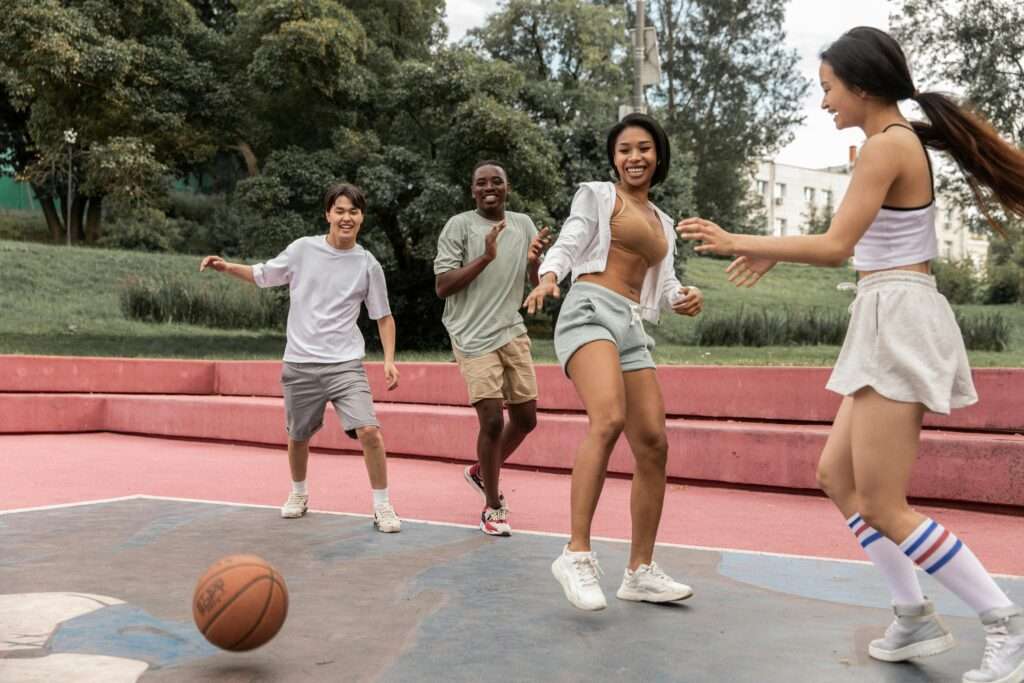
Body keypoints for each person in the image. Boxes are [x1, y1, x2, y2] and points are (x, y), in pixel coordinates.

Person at [678, 27, 1024, 683]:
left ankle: (1004, 623)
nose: (824, 103)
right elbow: (855, 244)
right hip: (884, 311)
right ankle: (913, 611)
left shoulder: (886, 147)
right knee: (838, 477)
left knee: (886, 502)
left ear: (861, 85)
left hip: (899, 316)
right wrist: (768, 250)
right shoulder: (892, 143)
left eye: (828, 89)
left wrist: (739, 239)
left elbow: (837, 245)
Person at [523, 113, 705, 611]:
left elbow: (663, 288)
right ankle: (576, 555)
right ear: (614, 158)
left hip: (630, 324)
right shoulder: (598, 196)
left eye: (643, 148)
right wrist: (548, 275)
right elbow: (570, 239)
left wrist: (685, 296)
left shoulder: (661, 222)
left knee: (653, 444)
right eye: (624, 149)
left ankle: (639, 571)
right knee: (608, 418)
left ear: (658, 155)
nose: (634, 157)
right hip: (588, 309)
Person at [200, 182, 402, 533]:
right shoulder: (302, 250)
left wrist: (388, 359)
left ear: (361, 218)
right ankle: (298, 493)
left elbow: (383, 316)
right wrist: (225, 267)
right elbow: (263, 275)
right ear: (328, 214)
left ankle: (383, 506)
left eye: (353, 211)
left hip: (345, 365)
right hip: (300, 362)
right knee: (298, 436)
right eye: (339, 210)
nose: (346, 217)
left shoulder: (368, 264)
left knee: (370, 430)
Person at [434, 160, 549, 537]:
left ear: (507, 186)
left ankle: (482, 471)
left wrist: (534, 265)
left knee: (527, 418)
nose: (489, 188)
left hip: (511, 330)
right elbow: (443, 287)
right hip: (471, 335)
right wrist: (485, 256)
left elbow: (533, 281)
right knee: (492, 420)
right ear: (472, 190)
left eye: (496, 182)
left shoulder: (524, 224)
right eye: (480, 182)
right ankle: (493, 506)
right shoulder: (459, 226)